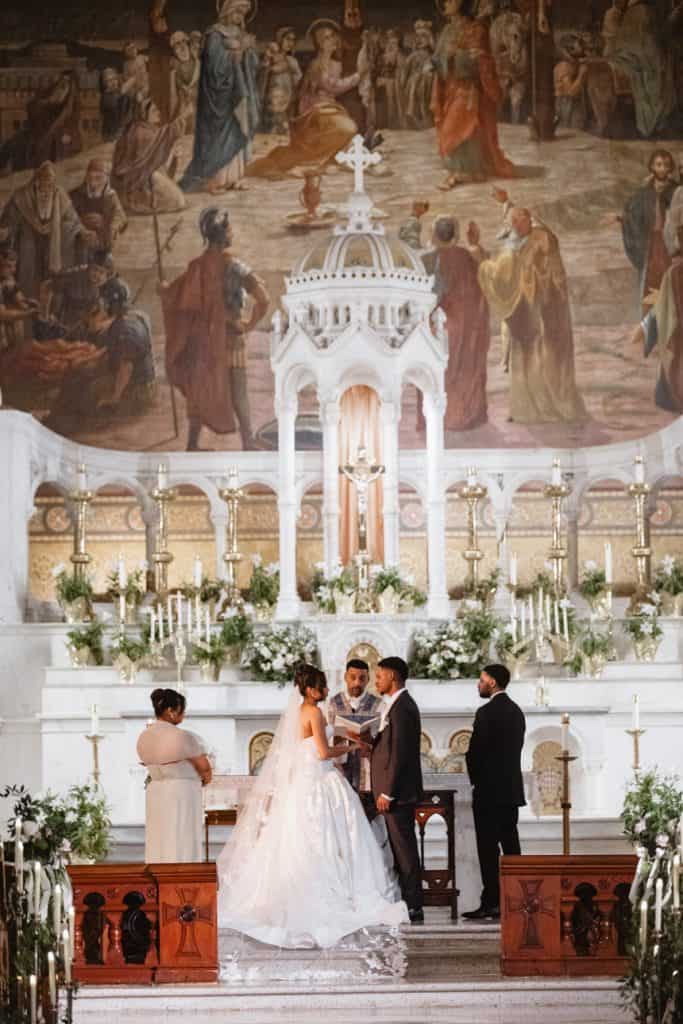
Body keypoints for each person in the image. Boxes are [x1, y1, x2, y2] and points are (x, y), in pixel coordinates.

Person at [217, 662, 408, 947]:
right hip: (320, 781)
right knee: (331, 839)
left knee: (301, 840)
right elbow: (322, 752)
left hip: (301, 785)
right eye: (321, 685)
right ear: (309, 689)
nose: (327, 690)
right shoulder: (315, 712)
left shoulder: (297, 713)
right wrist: (352, 746)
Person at [161, 207, 269, 451]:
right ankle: (248, 443)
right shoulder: (236, 267)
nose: (233, 233)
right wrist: (249, 325)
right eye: (230, 229)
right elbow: (264, 299)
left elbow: (175, 297)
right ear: (224, 235)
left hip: (202, 342)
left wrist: (163, 290)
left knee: (201, 388)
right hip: (230, 340)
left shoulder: (196, 267)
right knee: (239, 392)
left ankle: (192, 444)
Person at [477, 206, 587, 425]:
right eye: (512, 221)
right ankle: (524, 409)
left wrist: (528, 277)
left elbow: (553, 274)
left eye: (519, 220)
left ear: (529, 219)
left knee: (545, 357)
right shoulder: (516, 243)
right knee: (523, 357)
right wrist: (489, 266)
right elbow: (505, 273)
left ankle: (550, 407)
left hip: (544, 309)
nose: (515, 225)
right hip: (523, 310)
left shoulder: (543, 239)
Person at [245, 19, 358, 181]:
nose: (333, 40)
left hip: (328, 109)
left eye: (333, 36)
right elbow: (329, 86)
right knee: (346, 128)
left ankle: (332, 158)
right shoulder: (316, 65)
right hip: (313, 112)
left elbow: (299, 83)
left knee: (348, 131)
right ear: (319, 43)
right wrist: (357, 77)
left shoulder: (334, 64)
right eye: (327, 37)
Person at [431, 0, 515, 191]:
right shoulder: (447, 31)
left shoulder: (476, 29)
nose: (446, 4)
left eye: (450, 0)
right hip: (450, 88)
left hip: (469, 89)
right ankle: (466, 170)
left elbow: (481, 59)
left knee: (457, 128)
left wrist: (459, 55)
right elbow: (437, 59)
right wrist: (444, 58)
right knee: (453, 128)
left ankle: (465, 172)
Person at [464, 664, 526, 920]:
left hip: (489, 792)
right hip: (510, 790)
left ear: (492, 682)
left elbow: (475, 752)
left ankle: (492, 901)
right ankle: (517, 899)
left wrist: (476, 780)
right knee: (511, 846)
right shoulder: (516, 711)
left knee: (488, 849)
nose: (478, 684)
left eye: (481, 680)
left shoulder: (486, 712)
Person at [180, 0, 260, 194]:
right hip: (218, 98)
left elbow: (253, 64)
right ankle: (213, 179)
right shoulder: (214, 34)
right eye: (238, 11)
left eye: (243, 13)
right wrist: (237, 51)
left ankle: (234, 178)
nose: (240, 16)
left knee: (238, 130)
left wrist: (248, 51)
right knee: (217, 136)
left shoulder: (241, 34)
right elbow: (214, 68)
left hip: (238, 93)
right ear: (227, 10)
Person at [369, 656, 424, 925]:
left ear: (392, 676)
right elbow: (388, 748)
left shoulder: (402, 707)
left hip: (398, 794)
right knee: (399, 850)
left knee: (405, 850)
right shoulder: (393, 705)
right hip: (392, 791)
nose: (376, 680)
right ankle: (407, 901)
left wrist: (387, 792)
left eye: (379, 675)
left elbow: (401, 754)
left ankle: (414, 905)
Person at [0, 162, 96, 301]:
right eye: (43, 184)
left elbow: (73, 218)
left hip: (52, 244)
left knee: (49, 279)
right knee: (29, 274)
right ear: (36, 182)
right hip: (28, 241)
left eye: (50, 185)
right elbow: (8, 219)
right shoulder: (22, 196)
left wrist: (83, 232)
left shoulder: (60, 195)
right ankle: (27, 301)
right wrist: (5, 229)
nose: (46, 190)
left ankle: (50, 305)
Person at [430, 214, 491, 433]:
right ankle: (467, 416)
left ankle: (445, 419)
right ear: (455, 235)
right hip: (469, 322)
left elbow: (433, 294)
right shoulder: (467, 256)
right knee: (466, 368)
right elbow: (485, 278)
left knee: (444, 370)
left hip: (445, 323)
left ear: (435, 235)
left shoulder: (433, 258)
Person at [137, 688, 212, 862]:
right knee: (181, 839)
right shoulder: (182, 736)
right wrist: (205, 779)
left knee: (159, 840)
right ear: (171, 710)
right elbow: (205, 769)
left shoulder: (143, 737)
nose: (183, 714)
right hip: (181, 792)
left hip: (155, 791)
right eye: (182, 710)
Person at [631, 223, 683, 412]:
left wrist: (645, 329)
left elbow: (662, 308)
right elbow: (664, 307)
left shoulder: (675, 273)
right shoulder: (675, 273)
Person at [111, 97, 187, 215]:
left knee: (177, 199)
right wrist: (183, 117)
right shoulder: (140, 133)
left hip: (143, 175)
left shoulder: (144, 129)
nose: (159, 113)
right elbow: (165, 135)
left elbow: (154, 157)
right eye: (154, 111)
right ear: (144, 114)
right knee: (177, 200)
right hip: (136, 182)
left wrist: (171, 153)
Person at [611, 0, 674, 139]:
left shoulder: (640, 11)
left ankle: (653, 124)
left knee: (660, 73)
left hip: (641, 54)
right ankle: (652, 124)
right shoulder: (640, 11)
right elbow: (649, 38)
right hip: (640, 56)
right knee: (657, 76)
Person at [622, 150, 677, 308]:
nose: (662, 169)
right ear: (652, 166)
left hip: (670, 244)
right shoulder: (645, 191)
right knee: (651, 282)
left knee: (671, 281)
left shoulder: (676, 190)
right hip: (651, 245)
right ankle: (651, 327)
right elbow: (632, 214)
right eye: (658, 165)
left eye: (666, 165)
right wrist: (622, 219)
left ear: (670, 167)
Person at [328, 658, 382, 792]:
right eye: (353, 677)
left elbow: (382, 736)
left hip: (367, 765)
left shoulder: (378, 704)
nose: (357, 683)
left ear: (368, 679)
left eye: (362, 678)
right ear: (346, 677)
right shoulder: (333, 703)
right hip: (340, 763)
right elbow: (328, 734)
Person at [69, 160, 127, 263]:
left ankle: (104, 258)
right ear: (86, 177)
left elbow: (120, 215)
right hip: (82, 233)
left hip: (102, 235)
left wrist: (112, 226)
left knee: (102, 261)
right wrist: (83, 226)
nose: (93, 182)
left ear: (106, 178)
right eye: (90, 177)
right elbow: (69, 215)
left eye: (98, 178)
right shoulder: (76, 194)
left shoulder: (110, 196)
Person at [400, 19, 436, 131]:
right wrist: (403, 81)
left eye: (424, 36)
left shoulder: (434, 55)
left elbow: (437, 65)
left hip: (430, 82)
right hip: (415, 83)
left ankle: (428, 122)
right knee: (416, 99)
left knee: (427, 102)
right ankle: (419, 122)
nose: (420, 39)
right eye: (418, 36)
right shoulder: (414, 55)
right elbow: (406, 69)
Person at [168, 31, 200, 133]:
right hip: (184, 96)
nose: (181, 47)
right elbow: (176, 81)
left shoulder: (196, 59)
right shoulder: (174, 63)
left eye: (183, 42)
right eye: (177, 45)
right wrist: (184, 88)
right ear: (174, 49)